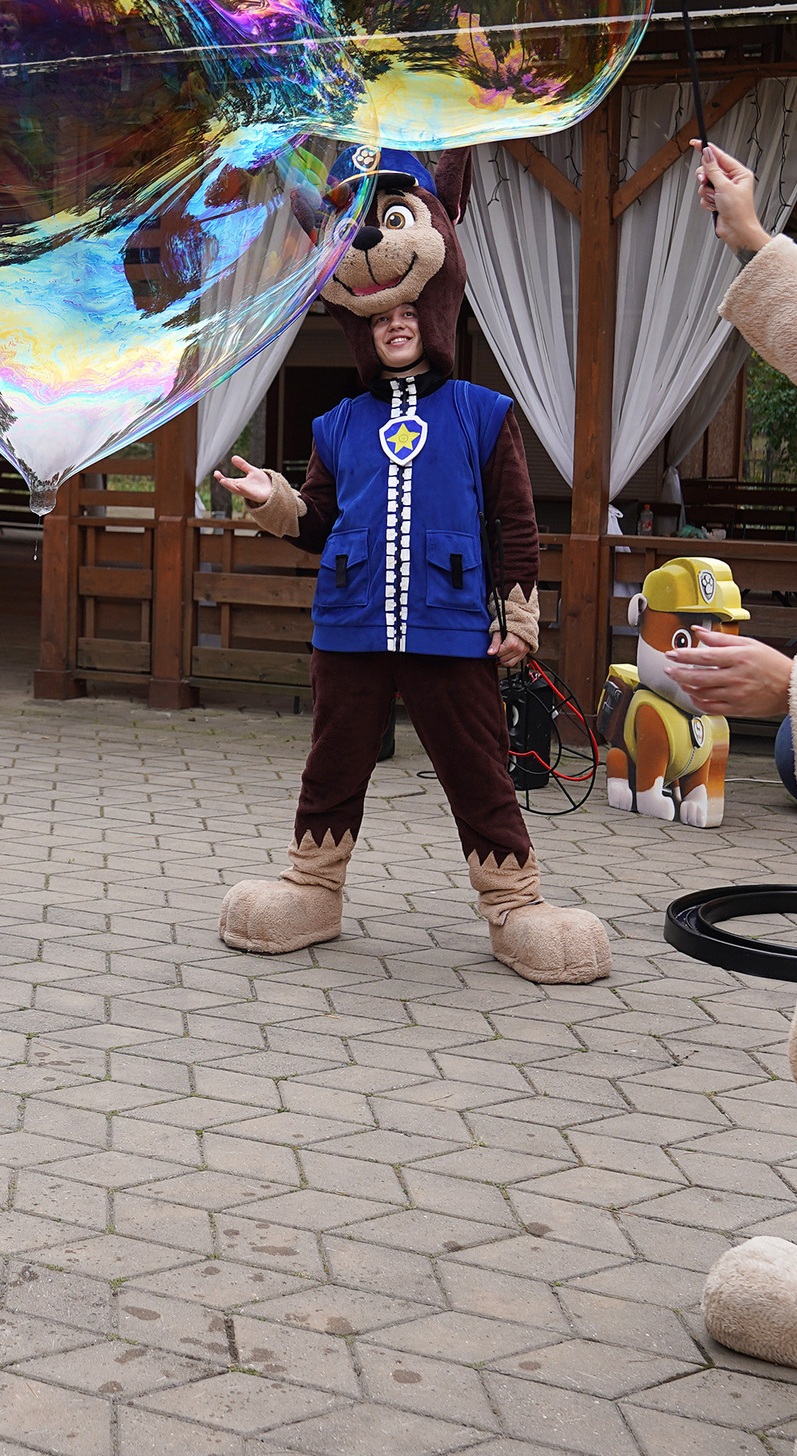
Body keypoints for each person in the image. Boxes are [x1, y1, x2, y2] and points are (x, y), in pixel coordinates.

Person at [211, 147, 609, 983]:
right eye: (378, 320)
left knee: (477, 763)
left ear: (434, 306)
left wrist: (519, 619)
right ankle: (313, 889)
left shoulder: (483, 413)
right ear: (357, 325)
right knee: (334, 762)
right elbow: (318, 523)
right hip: (350, 626)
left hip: (452, 625)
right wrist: (271, 496)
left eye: (408, 313)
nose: (394, 324)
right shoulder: (336, 424)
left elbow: (514, 523)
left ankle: (515, 904)